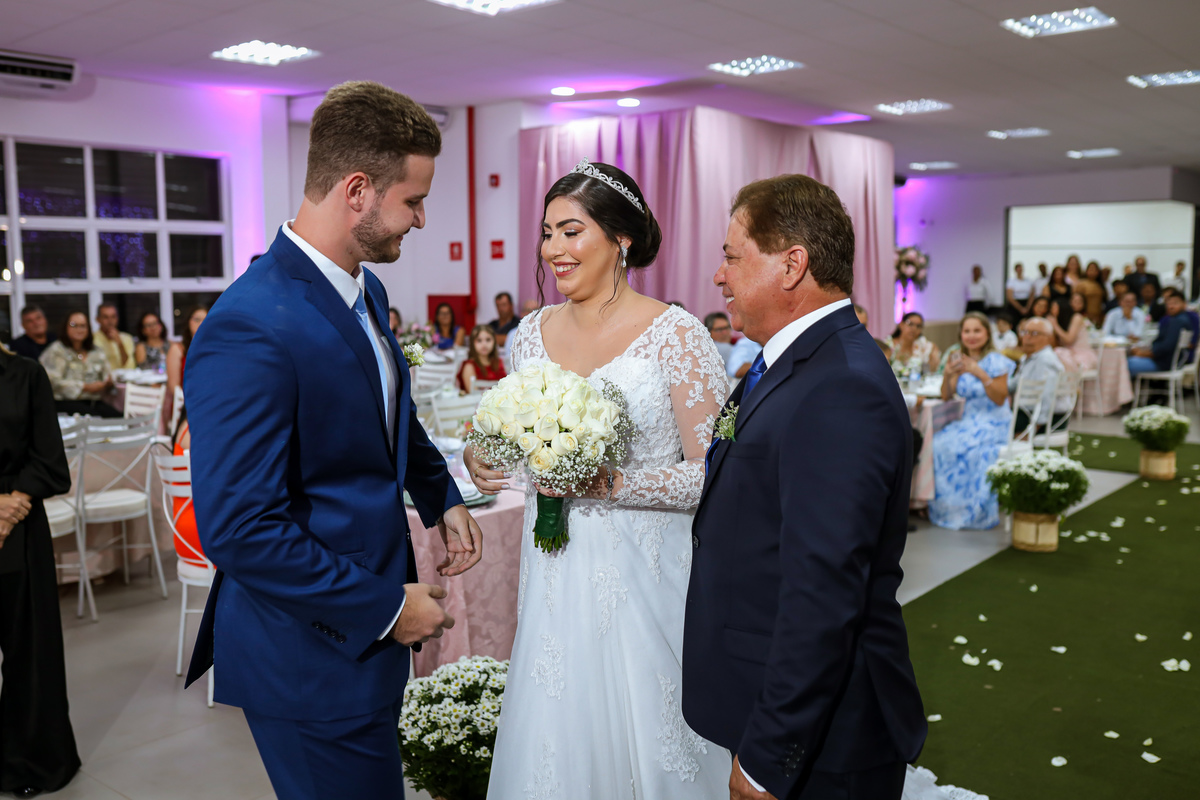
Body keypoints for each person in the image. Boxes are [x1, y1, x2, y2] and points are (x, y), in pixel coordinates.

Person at [182, 81, 483, 800]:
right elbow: (240, 529)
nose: (420, 219)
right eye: (413, 200)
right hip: (308, 652)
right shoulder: (249, 324)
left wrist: (440, 495)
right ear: (357, 191)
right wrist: (386, 608)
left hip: (359, 643)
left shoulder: (363, 289)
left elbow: (386, 413)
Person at [468, 158, 732, 798]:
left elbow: (717, 475)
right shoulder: (527, 337)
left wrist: (611, 484)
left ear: (622, 239)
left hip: (648, 575)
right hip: (554, 574)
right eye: (547, 233)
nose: (553, 249)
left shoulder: (677, 336)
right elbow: (516, 436)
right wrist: (483, 450)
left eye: (571, 231)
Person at [683, 174, 926, 800]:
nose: (719, 276)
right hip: (767, 692)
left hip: (825, 737)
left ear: (792, 265)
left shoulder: (841, 385)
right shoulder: (788, 362)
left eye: (733, 257)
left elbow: (823, 591)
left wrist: (768, 756)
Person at [0, 344, 81, 798]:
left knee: (31, 651)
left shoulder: (26, 374)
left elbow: (50, 460)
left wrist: (11, 506)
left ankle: (31, 762)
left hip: (20, 525)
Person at [929, 313, 1015, 530]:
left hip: (994, 420)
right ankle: (949, 506)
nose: (972, 336)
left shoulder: (996, 360)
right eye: (967, 331)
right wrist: (948, 374)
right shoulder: (958, 358)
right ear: (961, 335)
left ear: (987, 334)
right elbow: (946, 396)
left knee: (970, 449)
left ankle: (974, 510)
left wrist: (979, 373)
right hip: (968, 419)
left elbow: (999, 398)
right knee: (938, 443)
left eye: (977, 331)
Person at [39, 312, 120, 418]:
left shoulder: (96, 351)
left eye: (83, 326)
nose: (79, 329)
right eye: (74, 325)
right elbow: (52, 382)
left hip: (94, 401)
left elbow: (107, 375)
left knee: (119, 418)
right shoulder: (56, 351)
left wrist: (108, 383)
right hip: (65, 402)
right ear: (65, 327)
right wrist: (85, 387)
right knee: (95, 419)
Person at [1010, 317, 1067, 433]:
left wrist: (1037, 425)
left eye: (1034, 333)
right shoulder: (1029, 357)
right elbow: (1013, 385)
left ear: (1049, 338)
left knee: (996, 422)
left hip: (1046, 419)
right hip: (1028, 413)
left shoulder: (1045, 359)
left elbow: (1048, 395)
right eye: (1025, 332)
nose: (1027, 337)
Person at [1129, 288, 1193, 376]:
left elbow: (1167, 347)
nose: (1171, 307)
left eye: (1175, 303)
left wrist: (1146, 354)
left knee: (1127, 363)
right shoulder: (1182, 319)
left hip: (1163, 364)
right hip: (1172, 363)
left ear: (1184, 304)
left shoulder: (1178, 321)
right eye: (1169, 303)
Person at [165, 306, 207, 426]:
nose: (201, 323)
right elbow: (173, 386)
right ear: (189, 321)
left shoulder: (212, 348)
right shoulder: (177, 349)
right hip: (185, 403)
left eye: (205, 320)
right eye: (197, 319)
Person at [1049, 292, 1098, 372]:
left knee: (1059, 354)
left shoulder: (1077, 317)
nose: (1052, 310)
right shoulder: (1064, 321)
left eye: (1055, 307)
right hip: (1069, 354)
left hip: (1081, 356)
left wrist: (1055, 325)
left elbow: (1069, 340)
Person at [455, 325, 506, 393]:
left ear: (494, 341)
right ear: (472, 343)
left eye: (488, 340)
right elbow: (473, 394)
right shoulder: (469, 366)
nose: (484, 344)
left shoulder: (498, 362)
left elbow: (505, 388)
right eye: (479, 340)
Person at [887, 311, 941, 376]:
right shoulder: (888, 345)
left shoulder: (925, 346)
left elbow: (931, 371)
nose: (914, 328)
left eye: (918, 326)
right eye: (910, 324)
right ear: (901, 325)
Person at [94, 302, 136, 371]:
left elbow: (127, 364)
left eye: (113, 317)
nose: (110, 321)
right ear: (98, 319)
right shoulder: (92, 338)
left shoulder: (127, 338)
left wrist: (119, 343)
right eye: (105, 317)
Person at [1076, 262, 1107, 326]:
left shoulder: (1100, 285)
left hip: (1099, 317)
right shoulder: (1081, 284)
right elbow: (1076, 301)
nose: (1092, 272)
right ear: (1086, 271)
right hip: (1085, 317)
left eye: (1095, 270)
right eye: (1090, 269)